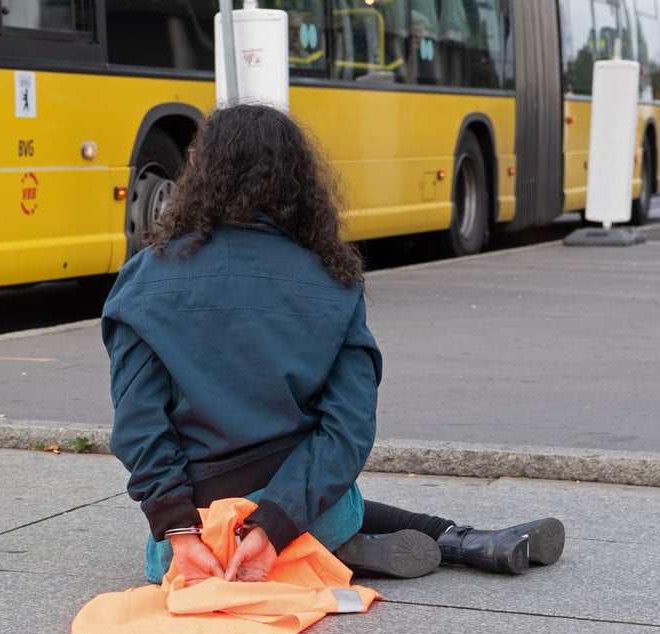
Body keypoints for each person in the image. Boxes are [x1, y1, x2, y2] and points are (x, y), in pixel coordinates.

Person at [101, 103, 564, 586]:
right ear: (298, 182)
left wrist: (179, 531)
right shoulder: (332, 280)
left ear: (198, 173)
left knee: (261, 512)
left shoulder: (144, 279)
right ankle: (437, 540)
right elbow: (349, 427)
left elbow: (138, 422)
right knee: (337, 501)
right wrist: (273, 525)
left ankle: (326, 555)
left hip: (198, 535)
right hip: (304, 508)